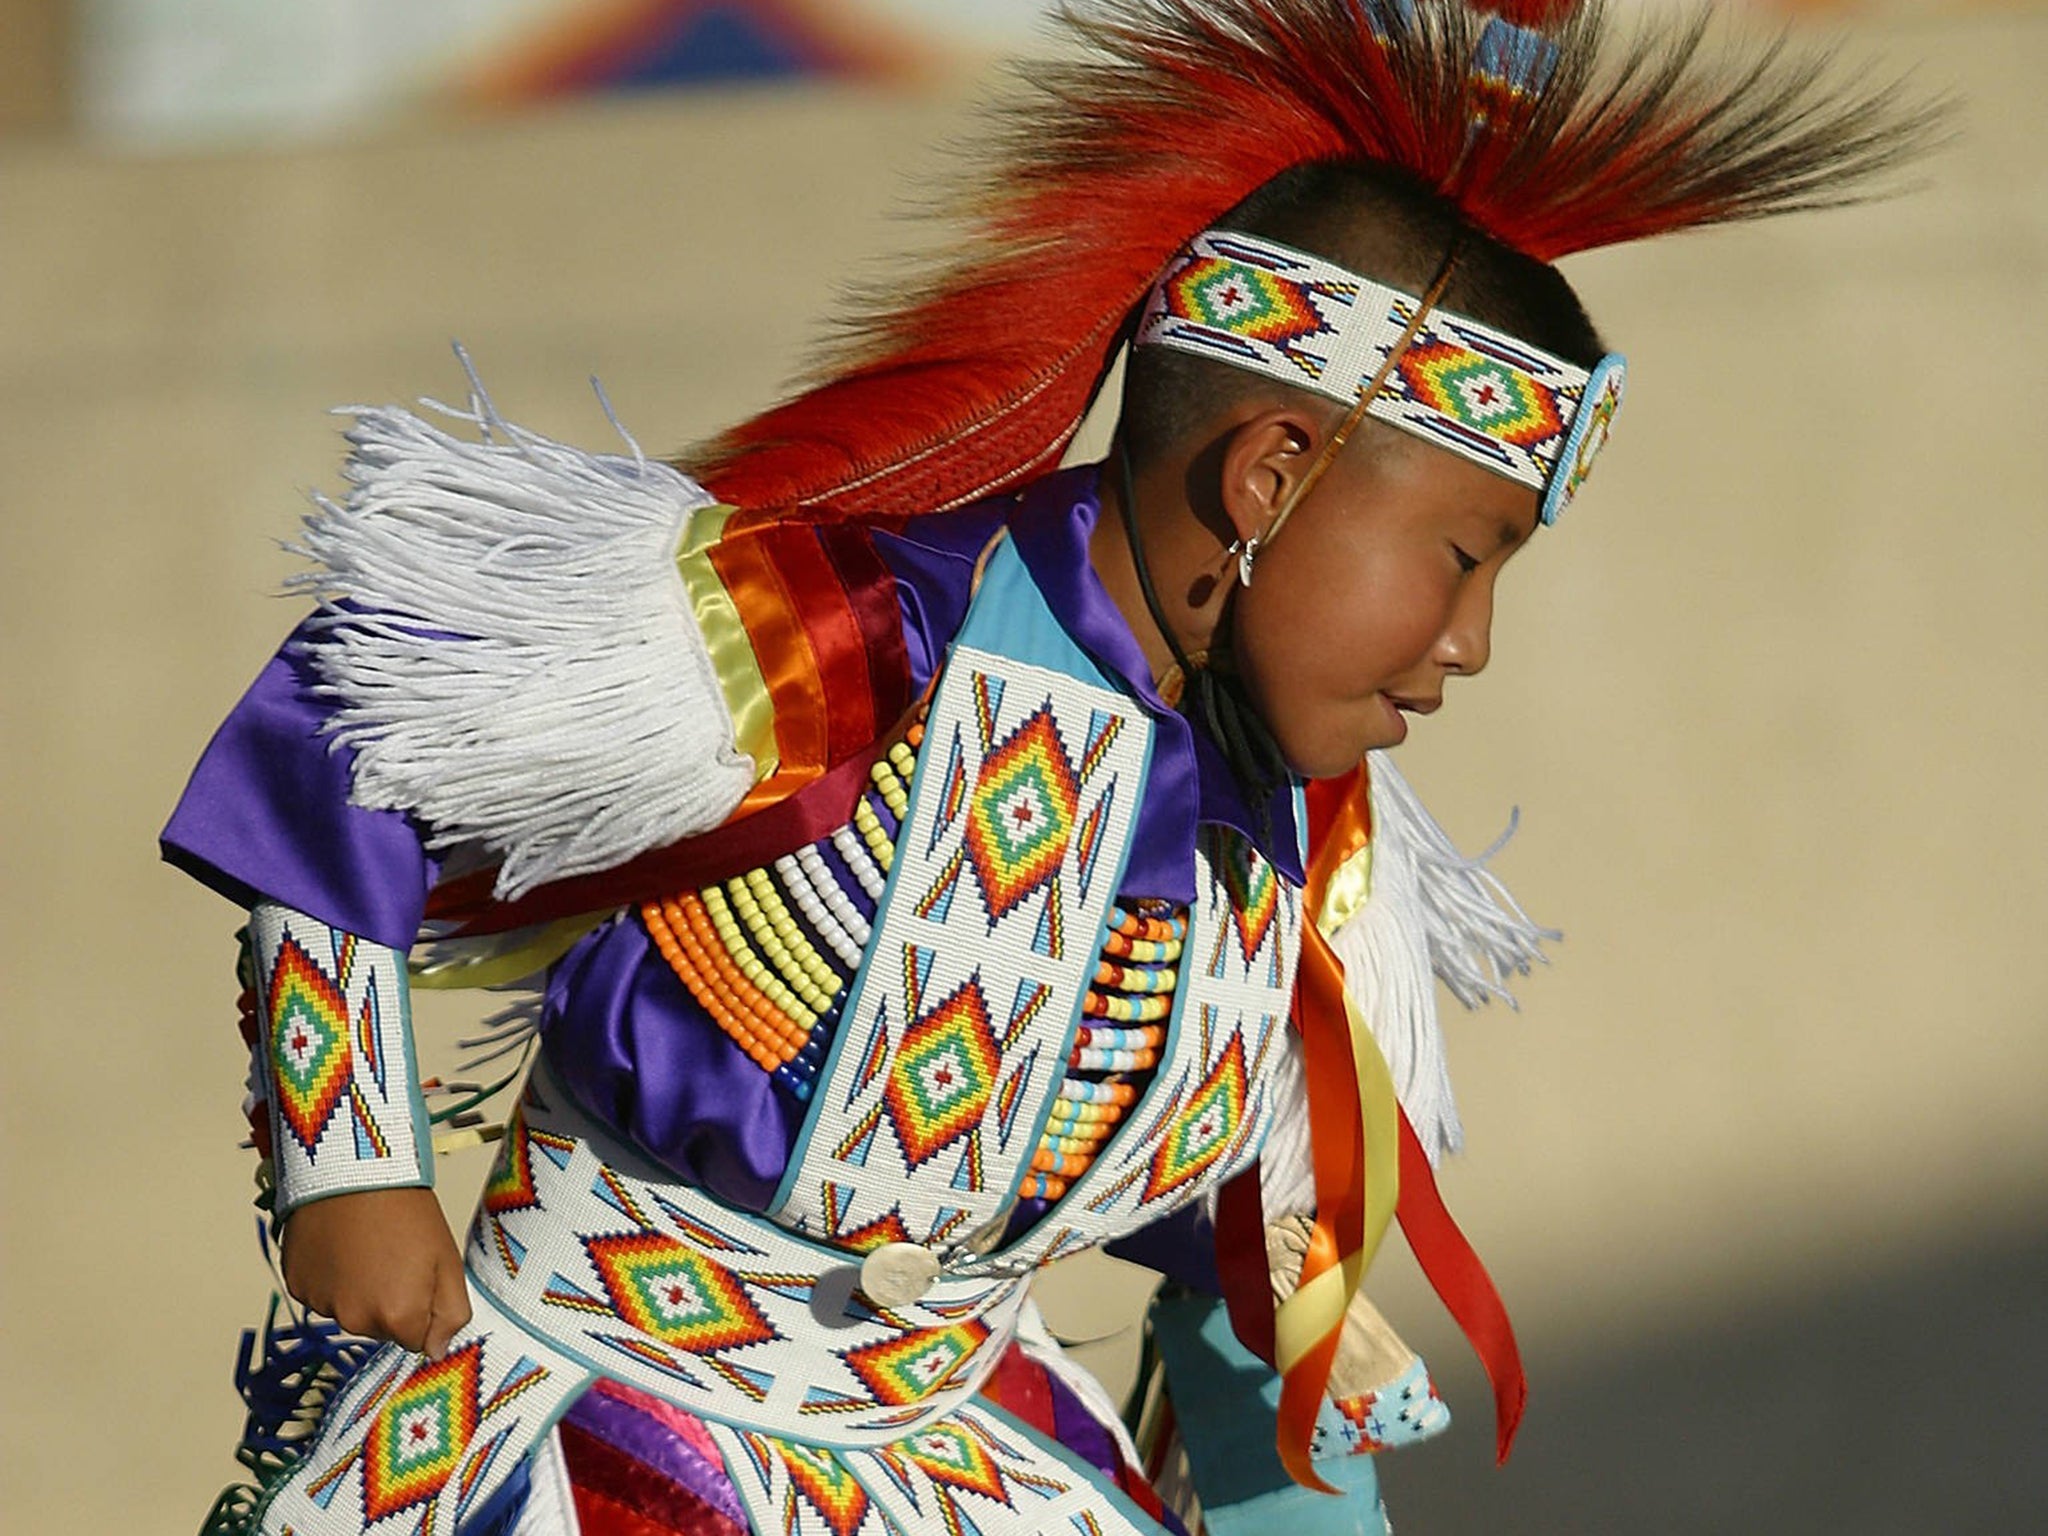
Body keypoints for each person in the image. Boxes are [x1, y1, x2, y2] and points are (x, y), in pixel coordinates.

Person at [165, 3, 1938, 1533]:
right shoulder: (832, 640)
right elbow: (358, 714)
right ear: (1270, 477)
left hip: (960, 1458)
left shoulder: (1295, 839)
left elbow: (1241, 1261)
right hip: (589, 1428)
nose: (1470, 642)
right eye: (1466, 559)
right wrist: (350, 1164)